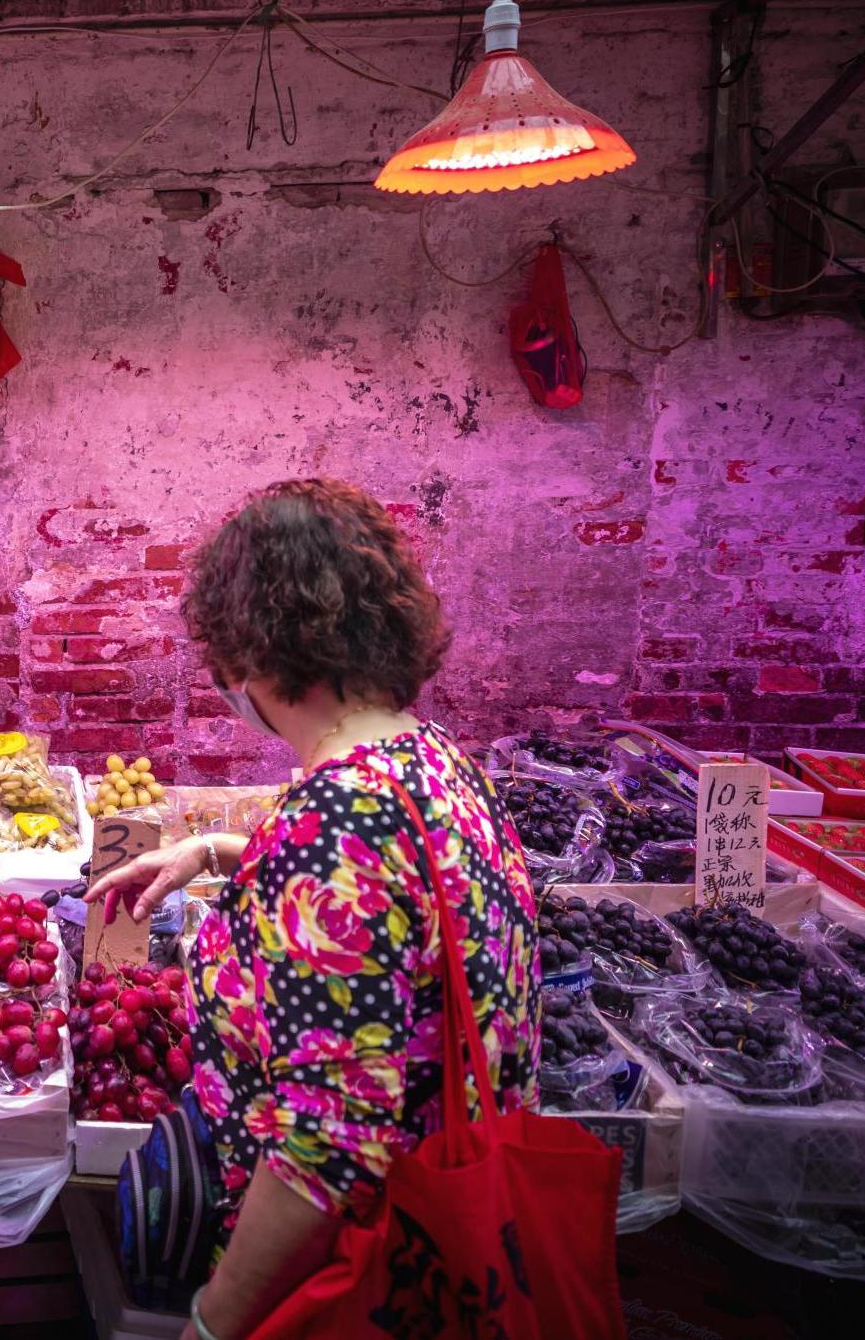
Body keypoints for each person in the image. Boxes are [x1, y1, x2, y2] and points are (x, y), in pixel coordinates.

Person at [86, 479, 538, 1339]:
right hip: (457, 1241)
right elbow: (390, 908)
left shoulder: (331, 822)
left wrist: (214, 1324)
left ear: (252, 647)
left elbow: (325, 1151)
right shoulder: (435, 762)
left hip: (353, 1285)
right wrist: (216, 852)